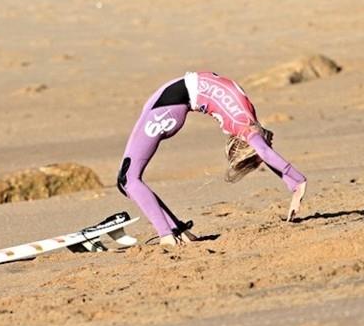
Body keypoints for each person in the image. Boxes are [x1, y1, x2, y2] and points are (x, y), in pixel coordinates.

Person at [116, 72, 307, 246]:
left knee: (128, 179)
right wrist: (297, 182)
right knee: (128, 180)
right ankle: (178, 232)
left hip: (169, 103)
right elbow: (265, 152)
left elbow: (264, 152)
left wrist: (294, 183)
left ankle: (167, 236)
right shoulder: (246, 122)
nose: (270, 140)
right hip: (171, 99)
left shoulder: (244, 125)